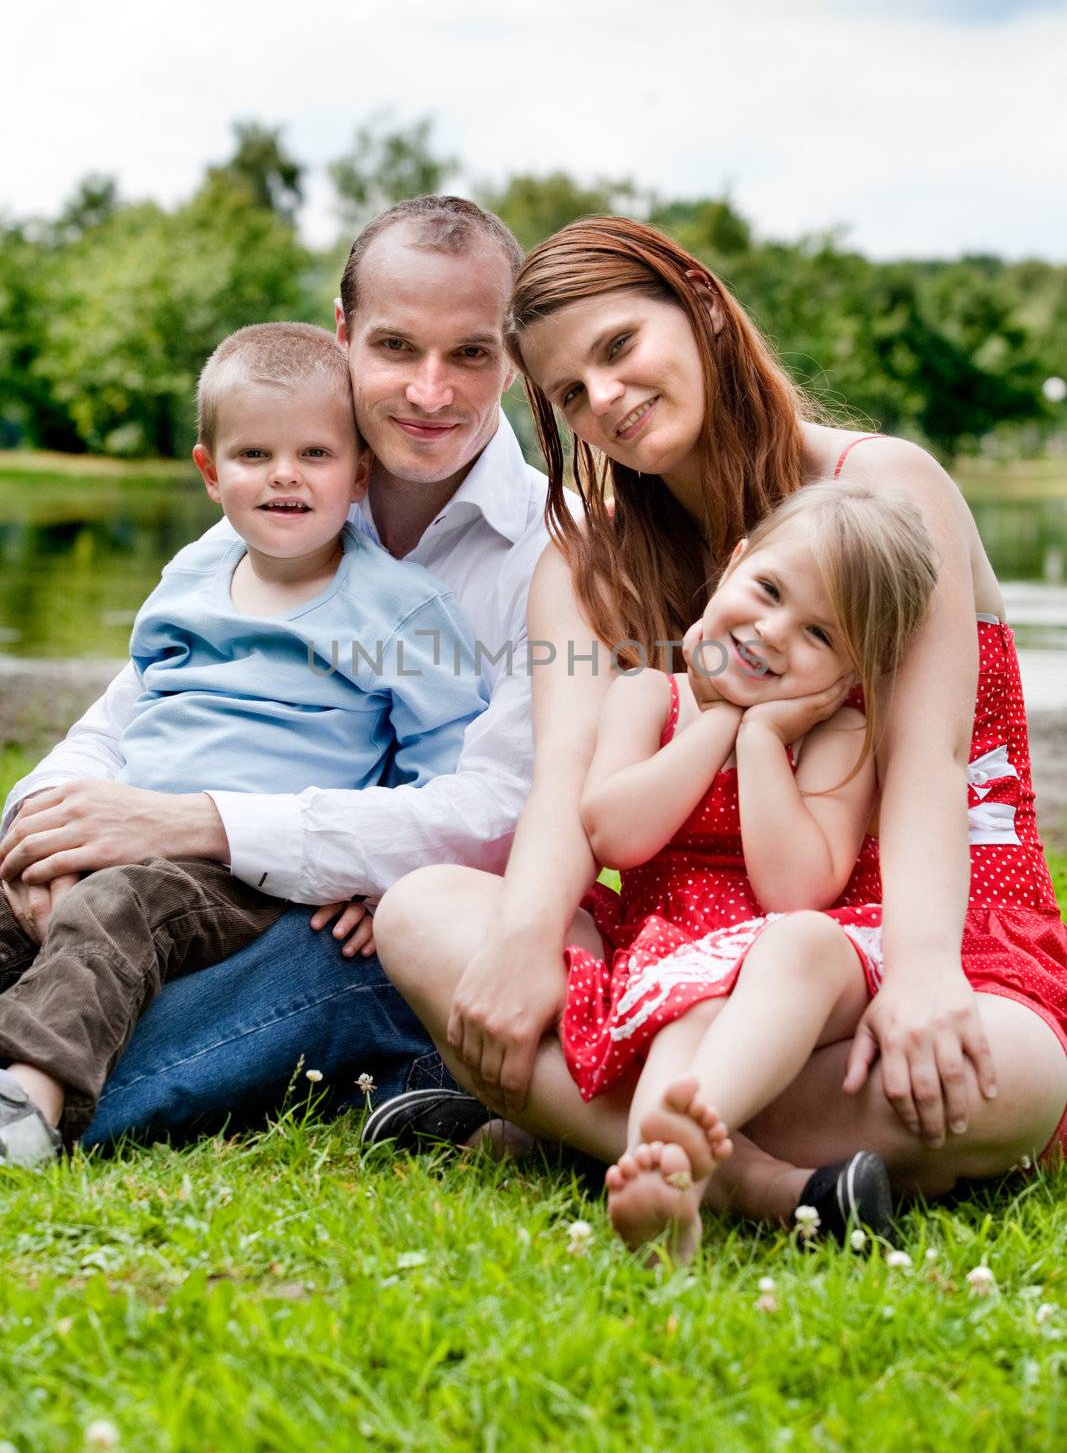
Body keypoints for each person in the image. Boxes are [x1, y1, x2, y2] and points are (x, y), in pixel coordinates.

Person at [371, 215, 1067, 1232]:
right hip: (677, 950)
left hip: (912, 936)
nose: (603, 398)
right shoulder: (585, 563)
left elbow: (927, 761)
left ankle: (575, 1117)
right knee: (423, 911)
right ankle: (758, 1182)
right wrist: (525, 935)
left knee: (1012, 1083)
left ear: (699, 306)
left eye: (617, 348)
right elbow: (567, 779)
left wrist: (922, 976)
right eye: (567, 392)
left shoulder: (881, 492)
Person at [0, 197, 551, 1142]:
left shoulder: (548, 551)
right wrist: (46, 827)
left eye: (470, 352)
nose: (430, 391)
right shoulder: (283, 500)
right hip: (179, 870)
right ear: (342, 337)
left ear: (515, 354)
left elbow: (499, 807)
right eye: (394, 347)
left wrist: (203, 824)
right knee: (47, 910)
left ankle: (46, 1098)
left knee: (149, 1035)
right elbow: (135, 704)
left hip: (351, 921)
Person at [560, 481, 936, 1257]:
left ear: (854, 669)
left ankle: (687, 1135)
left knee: (791, 943)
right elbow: (615, 836)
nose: (769, 632)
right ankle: (673, 1180)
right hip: (670, 950)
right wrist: (719, 724)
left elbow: (796, 889)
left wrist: (763, 744)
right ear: (734, 563)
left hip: (783, 958)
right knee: (686, 1015)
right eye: (766, 590)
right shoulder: (647, 696)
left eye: (819, 636)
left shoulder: (838, 734)